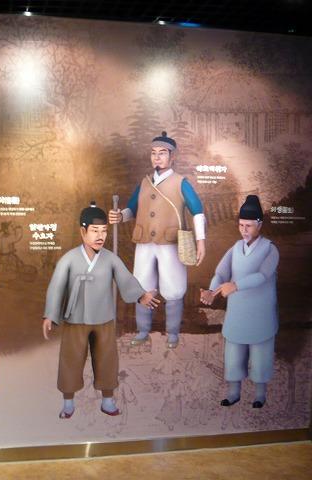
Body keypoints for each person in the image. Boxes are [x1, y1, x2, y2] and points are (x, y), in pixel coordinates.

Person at [43, 202, 159, 419]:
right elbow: (57, 286)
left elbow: (125, 279)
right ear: (83, 231)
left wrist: (141, 295)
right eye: (95, 230)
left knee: (106, 358)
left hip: (104, 318)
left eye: (104, 231)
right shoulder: (69, 259)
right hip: (75, 318)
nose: (100, 236)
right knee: (71, 359)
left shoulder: (110, 258)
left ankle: (107, 400)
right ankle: (68, 402)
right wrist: (50, 314)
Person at [109, 131, 206, 349]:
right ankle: (143, 331)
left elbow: (197, 211)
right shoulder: (144, 183)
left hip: (170, 243)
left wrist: (201, 241)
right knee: (142, 286)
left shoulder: (181, 182)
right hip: (144, 242)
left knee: (173, 288)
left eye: (162, 153)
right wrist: (120, 216)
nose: (157, 157)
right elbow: (132, 208)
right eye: (153, 153)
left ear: (172, 156)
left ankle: (172, 333)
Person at [200, 195, 278, 409]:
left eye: (249, 226)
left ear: (259, 224)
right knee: (234, 355)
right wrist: (212, 290)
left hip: (260, 312)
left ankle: (260, 394)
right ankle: (233, 393)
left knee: (260, 356)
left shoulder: (270, 249)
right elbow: (221, 272)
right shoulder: (235, 248)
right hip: (237, 313)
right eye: (241, 225)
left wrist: (235, 286)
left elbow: (262, 275)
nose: (244, 230)